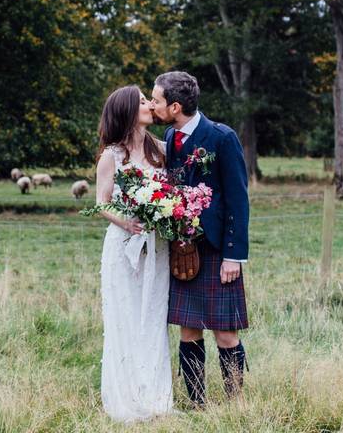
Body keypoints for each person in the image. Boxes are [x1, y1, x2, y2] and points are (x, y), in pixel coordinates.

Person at [149, 70, 249, 406]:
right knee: (188, 328)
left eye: (156, 99)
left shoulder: (221, 137)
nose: (152, 104)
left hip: (218, 248)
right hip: (184, 249)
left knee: (225, 332)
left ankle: (236, 401)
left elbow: (238, 199)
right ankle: (197, 401)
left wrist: (234, 256)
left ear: (175, 106)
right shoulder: (170, 135)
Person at [94, 85, 173, 422]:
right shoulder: (111, 156)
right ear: (127, 111)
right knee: (125, 317)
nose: (148, 105)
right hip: (124, 247)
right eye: (142, 102)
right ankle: (126, 398)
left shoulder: (161, 149)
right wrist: (125, 222)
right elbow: (101, 203)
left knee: (153, 317)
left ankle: (156, 397)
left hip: (156, 247)